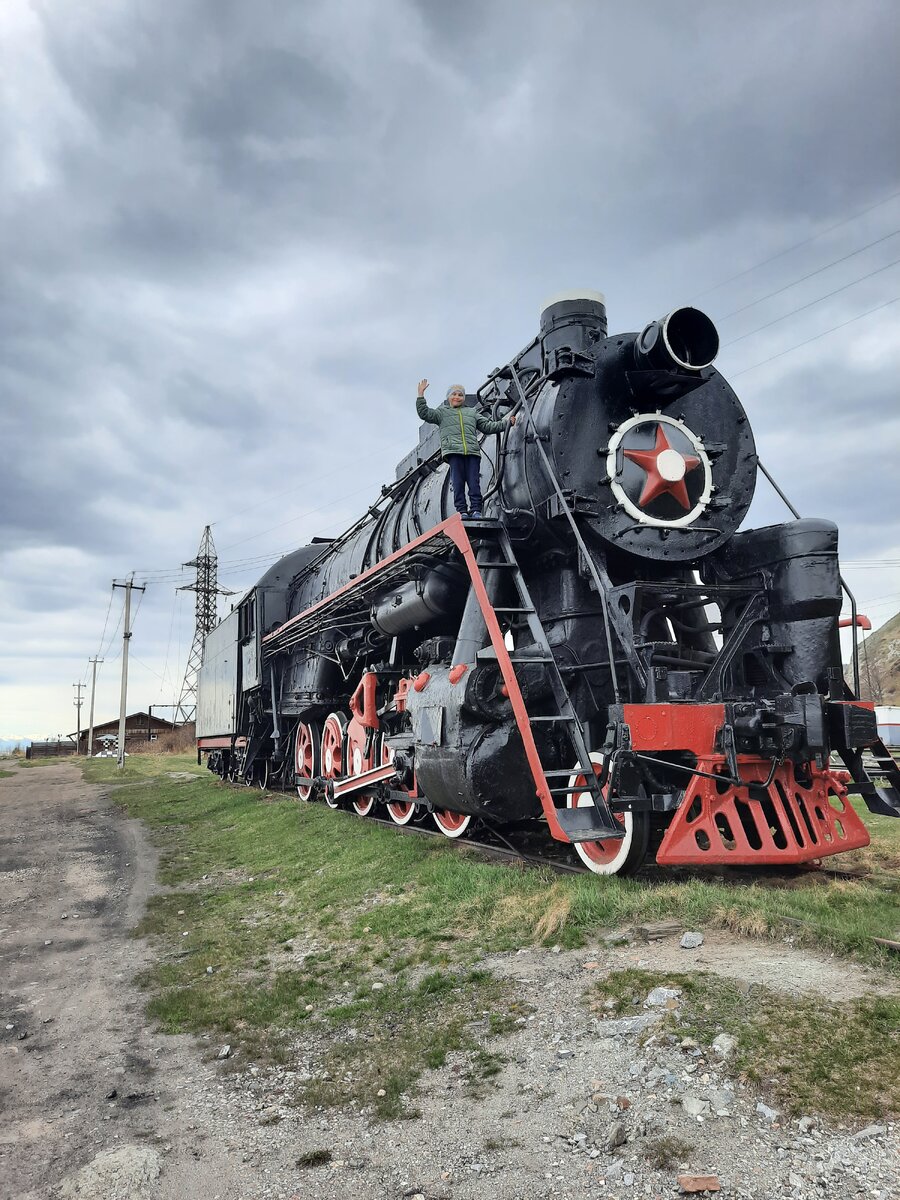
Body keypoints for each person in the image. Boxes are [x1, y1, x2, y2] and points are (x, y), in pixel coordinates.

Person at [416, 379, 515, 518]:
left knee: (474, 483)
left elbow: (488, 427)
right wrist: (421, 395)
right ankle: (462, 511)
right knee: (458, 483)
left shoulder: (471, 413)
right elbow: (424, 413)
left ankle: (476, 510)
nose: (457, 397)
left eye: (460, 395)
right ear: (449, 397)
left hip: (472, 452)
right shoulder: (442, 413)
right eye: (454, 394)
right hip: (454, 453)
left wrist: (506, 423)